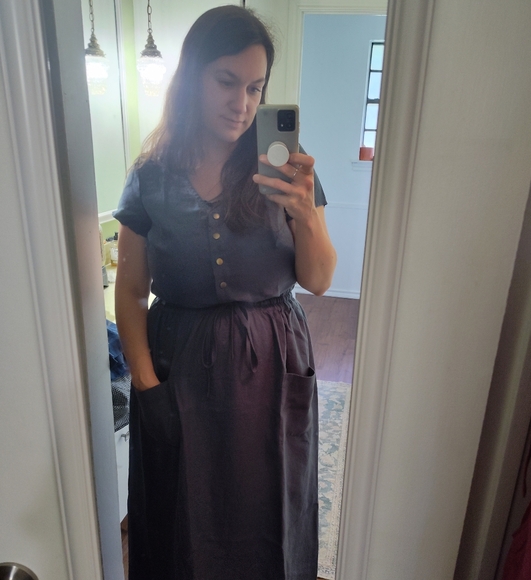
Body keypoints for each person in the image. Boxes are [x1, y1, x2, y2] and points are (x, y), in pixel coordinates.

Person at [113, 5, 336, 579]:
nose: (242, 103)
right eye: (226, 81)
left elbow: (319, 279)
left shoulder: (286, 169)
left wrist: (304, 212)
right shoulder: (150, 175)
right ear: (193, 77)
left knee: (269, 509)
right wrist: (146, 383)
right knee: (182, 514)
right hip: (179, 369)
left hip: (272, 367)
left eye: (255, 87)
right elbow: (131, 290)